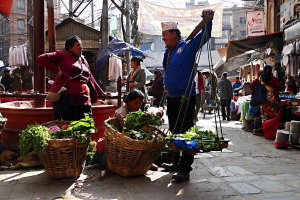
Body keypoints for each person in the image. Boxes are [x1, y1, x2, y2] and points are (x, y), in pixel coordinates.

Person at [160, 9, 214, 182]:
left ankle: (185, 169)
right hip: (172, 97)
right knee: (175, 131)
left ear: (175, 34)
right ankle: (176, 162)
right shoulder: (167, 52)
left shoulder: (187, 47)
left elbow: (204, 36)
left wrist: (208, 21)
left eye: (165, 34)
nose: (163, 38)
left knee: (186, 133)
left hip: (186, 97)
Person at [37, 35, 106, 121]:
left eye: (81, 45)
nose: (81, 48)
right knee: (69, 127)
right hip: (67, 100)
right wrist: (57, 71)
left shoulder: (83, 60)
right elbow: (41, 58)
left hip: (84, 100)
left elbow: (90, 78)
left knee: (86, 127)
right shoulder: (62, 55)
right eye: (78, 45)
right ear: (70, 48)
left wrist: (100, 92)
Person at [249, 65, 282, 136]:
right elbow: (279, 86)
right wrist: (274, 93)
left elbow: (251, 85)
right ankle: (268, 131)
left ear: (263, 70)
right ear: (271, 71)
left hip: (261, 100)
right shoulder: (273, 79)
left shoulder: (260, 79)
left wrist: (257, 92)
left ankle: (257, 130)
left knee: (259, 115)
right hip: (271, 101)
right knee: (271, 115)